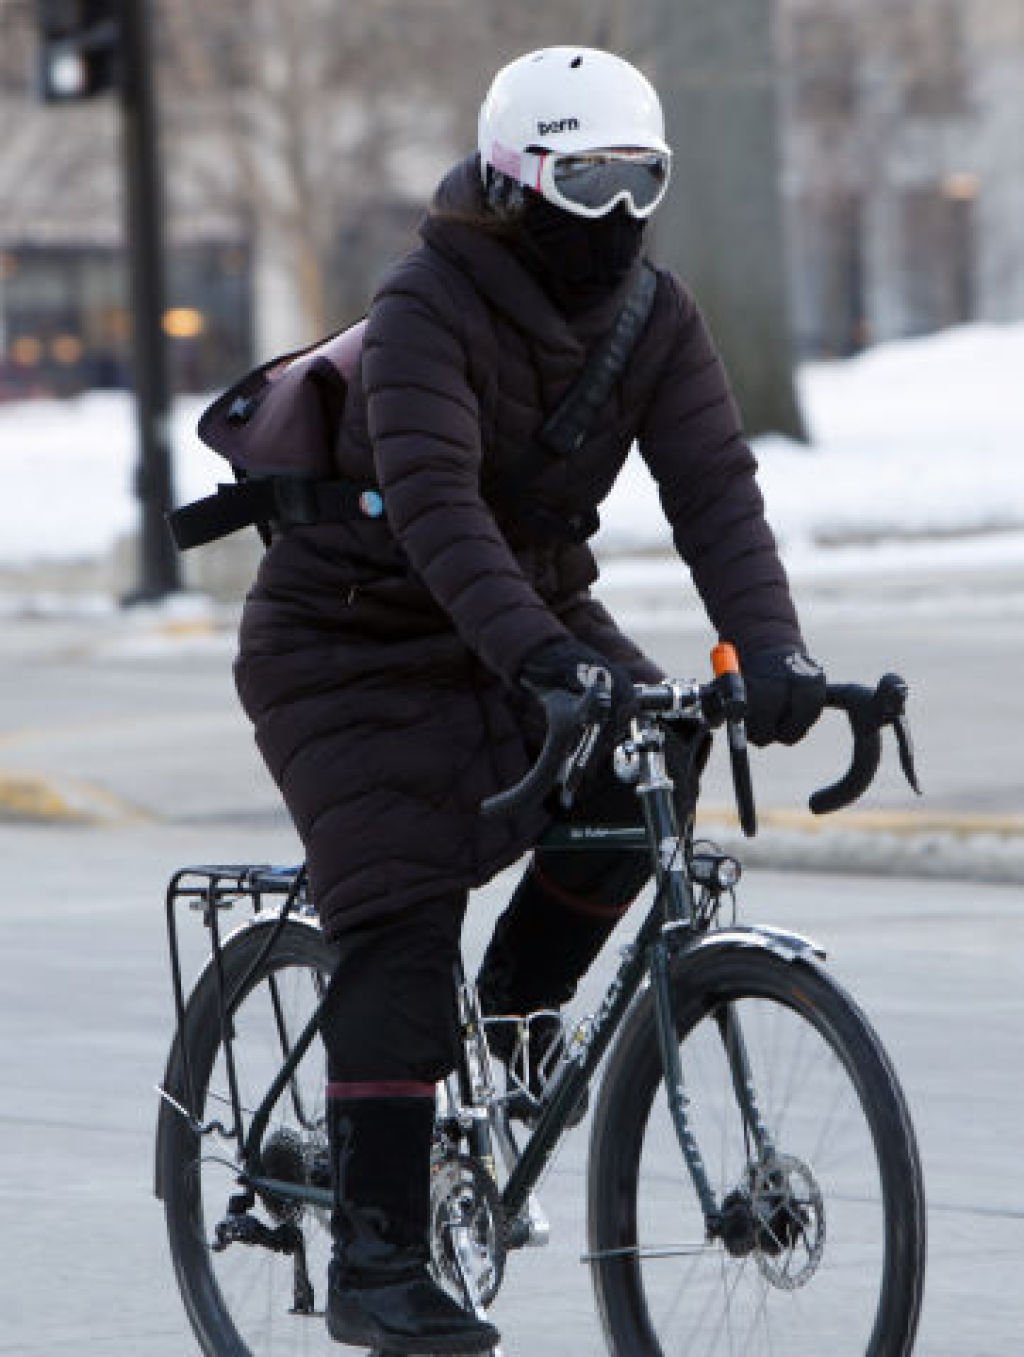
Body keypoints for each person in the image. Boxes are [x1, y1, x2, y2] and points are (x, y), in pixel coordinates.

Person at [233, 45, 826, 1355]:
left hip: (530, 617)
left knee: (645, 760)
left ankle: (510, 1016)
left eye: (642, 180)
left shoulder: (654, 315)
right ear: (515, 177)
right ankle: (375, 1260)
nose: (618, 214)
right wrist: (544, 655)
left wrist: (771, 651)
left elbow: (715, 486)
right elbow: (437, 508)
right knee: (399, 906)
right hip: (353, 640)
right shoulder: (424, 306)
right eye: (589, 180)